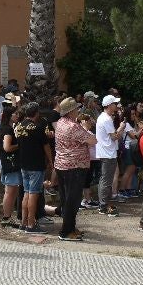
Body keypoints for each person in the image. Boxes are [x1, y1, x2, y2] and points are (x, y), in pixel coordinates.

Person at [50, 97, 96, 241]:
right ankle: (65, 231)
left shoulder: (60, 123)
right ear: (71, 111)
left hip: (62, 165)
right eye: (76, 109)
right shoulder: (73, 126)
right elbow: (93, 140)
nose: (78, 110)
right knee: (73, 200)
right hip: (74, 166)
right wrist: (86, 131)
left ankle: (70, 228)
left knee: (66, 199)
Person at [14, 102, 52, 233]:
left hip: (23, 163)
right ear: (36, 113)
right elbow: (46, 146)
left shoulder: (18, 127)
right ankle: (31, 224)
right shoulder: (38, 127)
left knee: (26, 193)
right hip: (36, 164)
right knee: (34, 194)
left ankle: (23, 222)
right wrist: (51, 161)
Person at [94, 94, 126, 216]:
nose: (116, 105)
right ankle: (103, 206)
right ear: (109, 105)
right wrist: (122, 128)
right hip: (107, 153)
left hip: (106, 152)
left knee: (105, 179)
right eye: (115, 104)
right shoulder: (106, 119)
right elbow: (115, 137)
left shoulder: (104, 117)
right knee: (106, 180)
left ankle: (102, 204)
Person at [0, 103, 22, 228]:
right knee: (10, 190)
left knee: (12, 190)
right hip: (9, 162)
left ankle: (8, 217)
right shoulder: (7, 129)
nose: (17, 115)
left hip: (9, 162)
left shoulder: (6, 127)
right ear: (9, 115)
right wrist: (20, 145)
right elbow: (7, 147)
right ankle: (6, 217)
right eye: (15, 113)